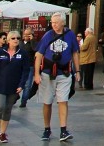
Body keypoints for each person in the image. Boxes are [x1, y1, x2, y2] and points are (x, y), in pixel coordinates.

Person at [34, 13, 81, 142]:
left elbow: (75, 53)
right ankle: (46, 128)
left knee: (63, 101)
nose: (53, 25)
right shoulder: (48, 35)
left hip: (64, 73)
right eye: (52, 22)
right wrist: (37, 74)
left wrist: (78, 71)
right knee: (47, 102)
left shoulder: (70, 35)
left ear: (63, 23)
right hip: (48, 74)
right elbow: (38, 55)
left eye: (56, 22)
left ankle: (63, 129)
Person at [0, 30, 32, 144]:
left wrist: (21, 85)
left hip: (14, 87)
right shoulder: (0, 52)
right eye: (13, 38)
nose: (16, 40)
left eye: (18, 38)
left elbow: (25, 71)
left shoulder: (23, 54)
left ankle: (2, 133)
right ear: (8, 40)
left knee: (7, 109)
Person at [18, 29, 37, 108]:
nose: (26, 36)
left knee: (27, 85)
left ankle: (24, 101)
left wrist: (32, 40)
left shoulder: (33, 43)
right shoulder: (20, 43)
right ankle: (14, 97)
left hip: (29, 66)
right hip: (19, 66)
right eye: (25, 34)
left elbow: (35, 50)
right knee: (16, 82)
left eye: (28, 34)